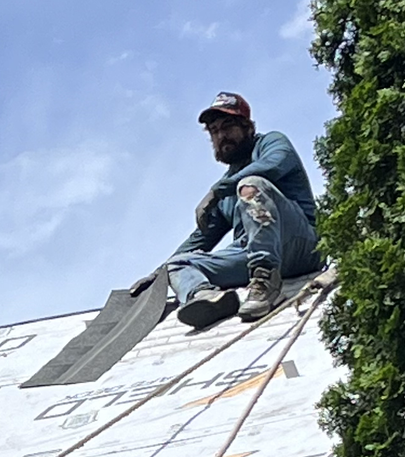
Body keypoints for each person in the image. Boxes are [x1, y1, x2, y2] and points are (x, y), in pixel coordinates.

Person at [131, 93, 321, 330]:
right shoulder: (226, 188)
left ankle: (265, 284)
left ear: (247, 126)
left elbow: (272, 166)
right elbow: (200, 237)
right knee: (177, 264)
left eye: (228, 126)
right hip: (250, 254)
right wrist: (158, 275)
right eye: (214, 131)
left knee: (252, 184)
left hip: (299, 245)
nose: (221, 136)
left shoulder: (271, 143)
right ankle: (205, 298)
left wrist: (217, 191)